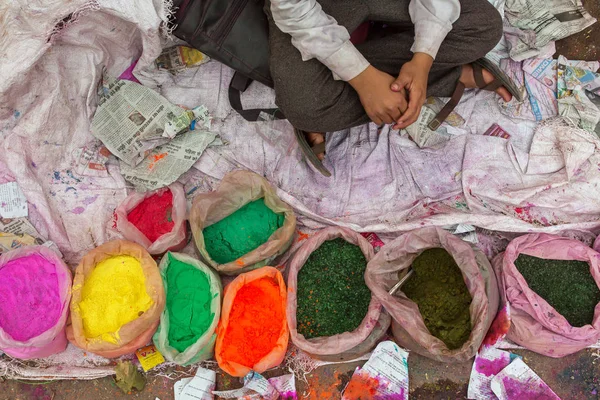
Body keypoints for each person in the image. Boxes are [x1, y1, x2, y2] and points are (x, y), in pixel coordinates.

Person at [265, 0, 520, 171]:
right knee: (303, 108)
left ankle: (336, 91)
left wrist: (423, 57)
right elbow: (292, 8)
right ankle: (449, 76)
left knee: (482, 24)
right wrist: (362, 78)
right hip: (312, 7)